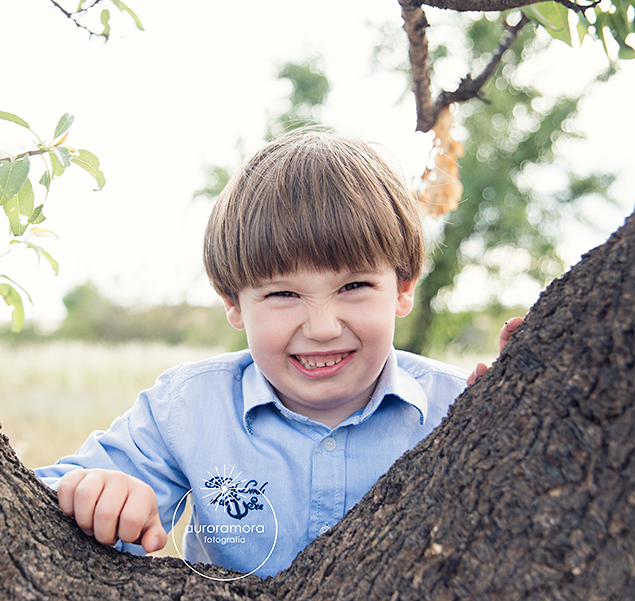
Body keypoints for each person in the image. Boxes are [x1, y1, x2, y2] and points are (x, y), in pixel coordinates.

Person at [34, 131, 519, 578]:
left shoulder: (458, 408)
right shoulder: (188, 406)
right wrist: (97, 493)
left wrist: (514, 429)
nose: (323, 328)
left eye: (354, 286)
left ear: (403, 289)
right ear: (234, 303)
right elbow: (43, 496)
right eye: (283, 295)